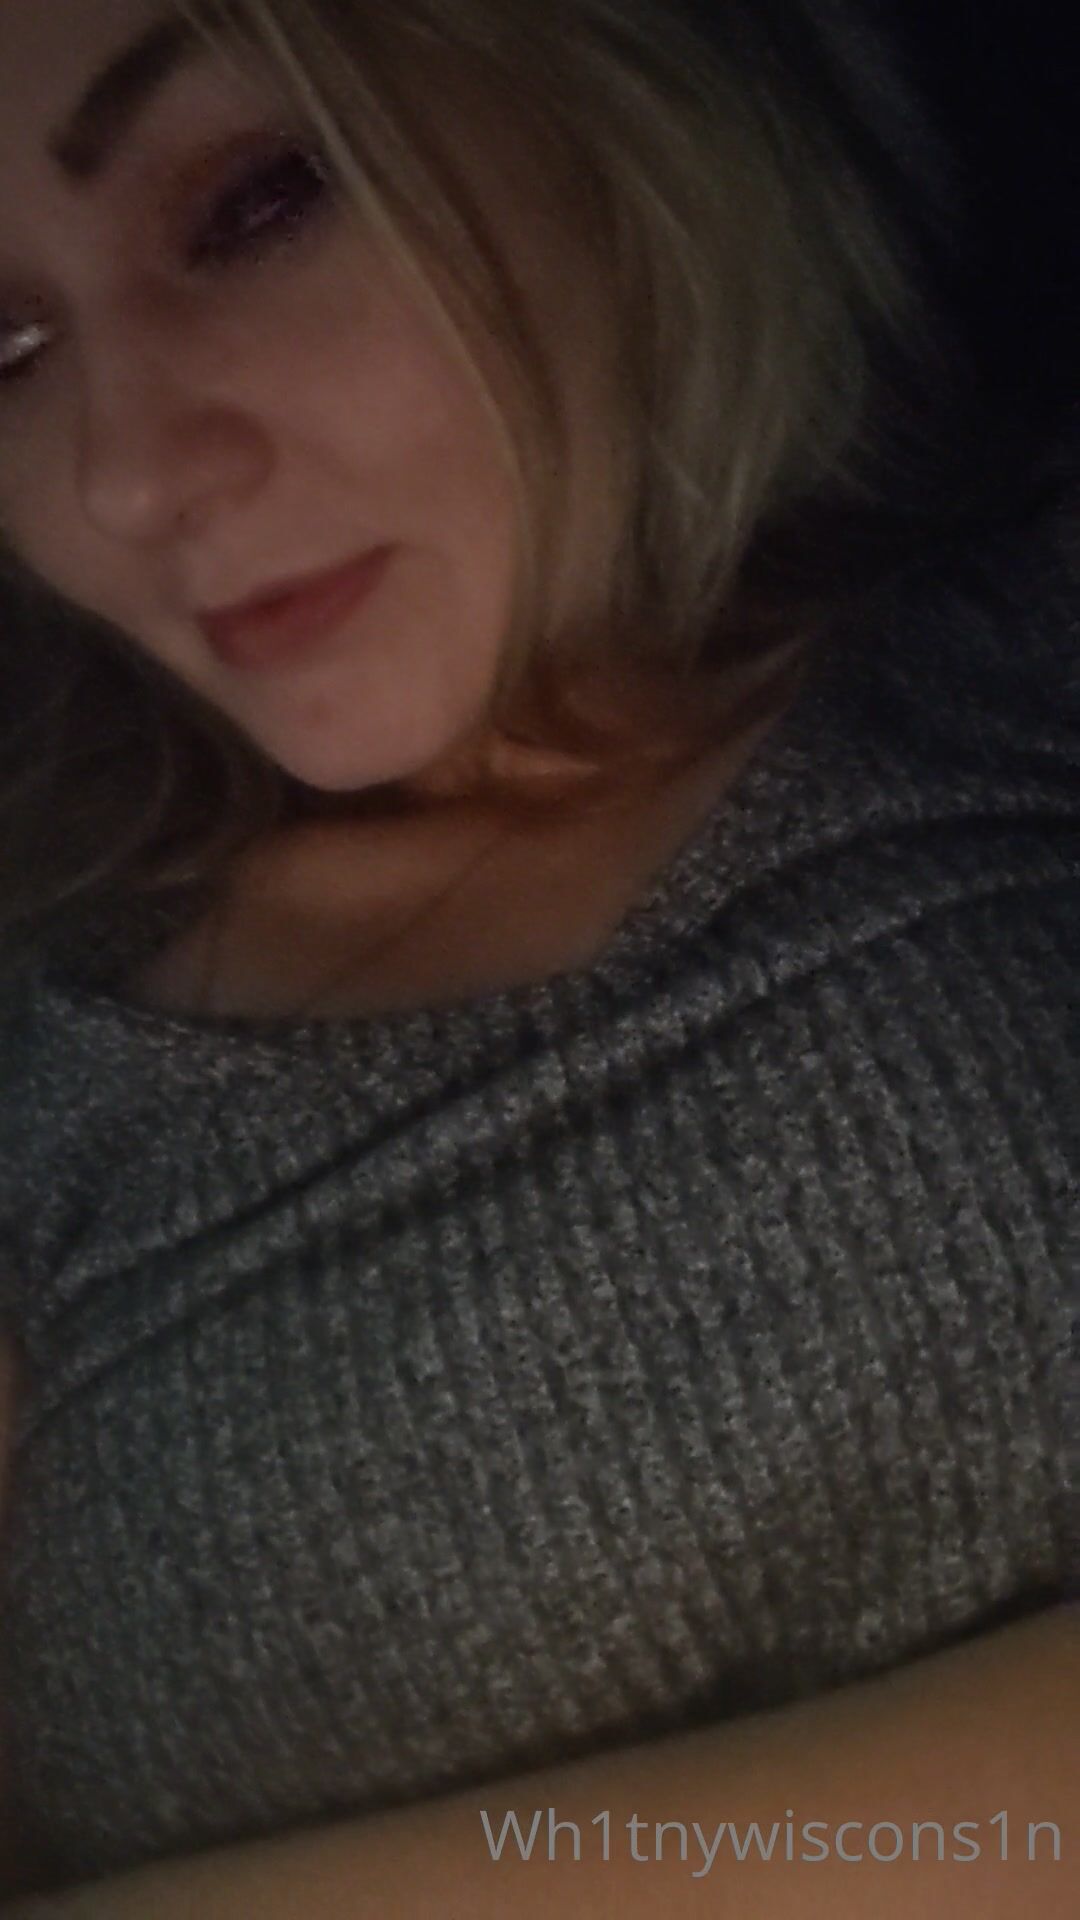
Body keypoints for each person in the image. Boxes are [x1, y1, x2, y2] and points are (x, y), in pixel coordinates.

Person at [0, 0, 1075, 1909]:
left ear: (599, 89)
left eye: (255, 202)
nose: (124, 480)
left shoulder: (1017, 666)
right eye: (4, 351)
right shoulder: (44, 1055)